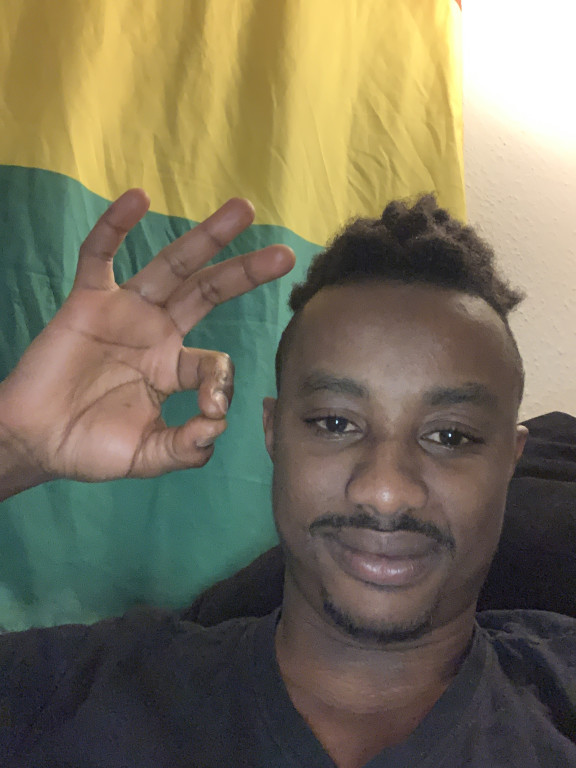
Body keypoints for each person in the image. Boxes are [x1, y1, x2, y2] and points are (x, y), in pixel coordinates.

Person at [0, 189, 574, 767]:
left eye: (450, 436)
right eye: (335, 423)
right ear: (273, 434)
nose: (385, 491)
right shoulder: (77, 694)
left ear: (511, 458)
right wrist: (13, 447)